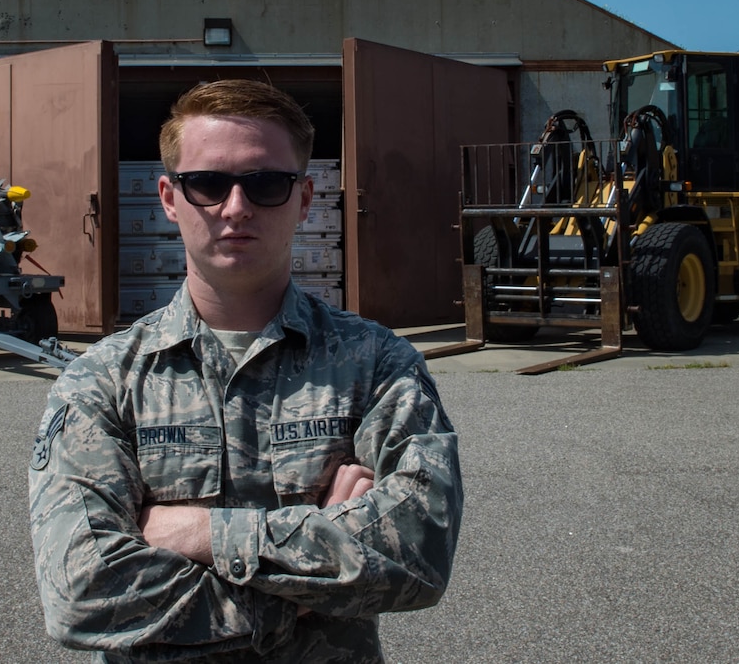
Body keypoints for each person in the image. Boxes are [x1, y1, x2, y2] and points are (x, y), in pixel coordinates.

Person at [28, 78, 463, 662]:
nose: (236, 208)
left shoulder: (379, 367)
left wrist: (198, 533)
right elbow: (81, 592)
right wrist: (311, 569)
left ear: (306, 199)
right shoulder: (103, 382)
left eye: (266, 184)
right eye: (207, 183)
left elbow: (418, 554)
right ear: (168, 197)